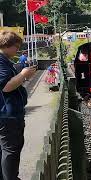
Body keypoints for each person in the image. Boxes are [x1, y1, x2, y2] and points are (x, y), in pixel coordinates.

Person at [0, 30, 36, 180]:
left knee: (6, 150)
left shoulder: (5, 60)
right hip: (8, 115)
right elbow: (6, 86)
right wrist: (23, 75)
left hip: (8, 113)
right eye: (16, 46)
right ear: (8, 45)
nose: (18, 50)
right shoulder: (1, 61)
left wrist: (22, 76)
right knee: (11, 150)